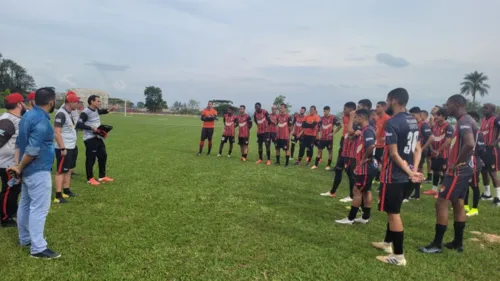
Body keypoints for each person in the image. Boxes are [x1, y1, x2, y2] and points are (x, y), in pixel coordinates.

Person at [419, 95, 477, 254]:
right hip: (466, 169)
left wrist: (456, 162)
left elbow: (470, 144)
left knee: (442, 202)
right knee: (458, 202)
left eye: (449, 104)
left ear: (457, 104)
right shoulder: (468, 120)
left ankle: (437, 244)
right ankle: (458, 242)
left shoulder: (464, 121)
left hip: (459, 169)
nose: (446, 107)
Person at [372, 88, 423, 266]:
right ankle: (387, 243)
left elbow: (393, 154)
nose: (386, 104)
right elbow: (418, 148)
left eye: (387, 101)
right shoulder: (413, 120)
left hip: (394, 176)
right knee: (392, 210)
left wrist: (410, 173)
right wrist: (414, 170)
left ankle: (398, 256)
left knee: (394, 214)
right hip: (407, 175)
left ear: (393, 100)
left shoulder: (393, 122)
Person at [9, 87, 60, 259]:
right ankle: (38, 247)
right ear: (51, 102)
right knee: (39, 209)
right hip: (37, 170)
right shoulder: (42, 121)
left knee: (25, 204)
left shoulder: (26, 116)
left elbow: (19, 144)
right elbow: (32, 150)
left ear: (33, 101)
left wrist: (18, 166)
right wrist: (19, 167)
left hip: (27, 170)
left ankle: (25, 238)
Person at [335, 109, 376, 224]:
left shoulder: (367, 130)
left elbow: (371, 146)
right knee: (366, 191)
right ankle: (365, 217)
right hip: (369, 166)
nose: (355, 120)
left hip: (365, 166)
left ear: (362, 117)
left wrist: (363, 160)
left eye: (357, 118)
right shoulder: (366, 130)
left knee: (356, 191)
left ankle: (350, 218)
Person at [0, 93, 26, 227]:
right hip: (6, 163)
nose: (25, 105)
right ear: (18, 104)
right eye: (23, 102)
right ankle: (5, 217)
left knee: (15, 188)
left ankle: (11, 211)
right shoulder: (8, 120)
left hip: (12, 162)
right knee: (9, 189)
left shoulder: (15, 118)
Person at [76, 95, 114, 185]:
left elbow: (102, 111)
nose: (99, 103)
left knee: (103, 156)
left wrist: (110, 110)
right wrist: (91, 128)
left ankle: (102, 177)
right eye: (98, 101)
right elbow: (79, 125)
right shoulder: (85, 112)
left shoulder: (96, 110)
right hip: (90, 139)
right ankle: (90, 179)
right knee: (91, 159)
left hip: (98, 137)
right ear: (92, 102)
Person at [320, 102, 356, 198]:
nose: (343, 111)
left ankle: (352, 196)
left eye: (345, 109)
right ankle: (332, 192)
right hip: (343, 142)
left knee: (350, 173)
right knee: (338, 169)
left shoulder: (356, 120)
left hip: (351, 146)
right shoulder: (344, 118)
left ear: (351, 110)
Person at [53, 92, 80, 203]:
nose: (78, 105)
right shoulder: (61, 114)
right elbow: (57, 132)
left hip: (71, 146)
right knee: (61, 171)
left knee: (68, 170)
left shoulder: (69, 113)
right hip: (64, 148)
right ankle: (58, 195)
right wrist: (62, 148)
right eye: (77, 102)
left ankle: (66, 190)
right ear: (71, 102)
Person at [423, 107, 454, 197]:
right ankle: (434, 189)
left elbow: (448, 141)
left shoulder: (448, 127)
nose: (435, 116)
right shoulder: (435, 126)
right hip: (434, 153)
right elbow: (431, 138)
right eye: (435, 114)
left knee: (443, 172)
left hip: (443, 154)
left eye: (438, 115)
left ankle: (443, 191)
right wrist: (432, 149)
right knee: (435, 171)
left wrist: (438, 151)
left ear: (443, 116)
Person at [407, 107, 433, 200]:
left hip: (419, 152)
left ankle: (412, 194)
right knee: (415, 171)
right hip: (415, 152)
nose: (412, 117)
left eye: (413, 115)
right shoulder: (416, 124)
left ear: (419, 114)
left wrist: (422, 149)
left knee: (415, 171)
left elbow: (431, 138)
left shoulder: (424, 124)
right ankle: (415, 194)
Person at [479, 103, 500, 205]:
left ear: (492, 109)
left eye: (486, 108)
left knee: (493, 173)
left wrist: (496, 141)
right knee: (483, 171)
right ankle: (487, 194)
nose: (484, 109)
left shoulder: (496, 119)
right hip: (483, 149)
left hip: (492, 150)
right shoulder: (483, 119)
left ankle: (498, 197)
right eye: (483, 108)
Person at [464, 111, 484, 216]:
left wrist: (477, 158)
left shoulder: (478, 133)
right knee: (465, 184)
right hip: (466, 160)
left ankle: (475, 208)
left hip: (474, 161)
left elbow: (481, 149)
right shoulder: (466, 131)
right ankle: (465, 205)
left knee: (474, 185)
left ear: (474, 120)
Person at [313, 106, 342, 170]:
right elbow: (319, 126)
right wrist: (320, 133)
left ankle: (328, 165)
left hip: (329, 139)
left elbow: (340, 125)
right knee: (319, 151)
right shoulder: (322, 118)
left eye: (325, 111)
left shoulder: (333, 118)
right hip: (322, 138)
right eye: (324, 111)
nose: (324, 112)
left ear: (329, 111)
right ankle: (315, 165)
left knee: (330, 152)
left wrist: (334, 133)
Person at [374, 101, 390, 183]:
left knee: (382, 162)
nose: (376, 108)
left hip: (383, 145)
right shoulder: (377, 118)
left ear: (384, 107)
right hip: (376, 144)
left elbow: (390, 130)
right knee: (376, 161)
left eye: (378, 107)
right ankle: (377, 178)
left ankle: (382, 179)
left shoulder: (387, 118)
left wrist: (385, 137)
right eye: (376, 107)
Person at [421, 110, 433, 182]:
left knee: (428, 161)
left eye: (421, 114)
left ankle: (429, 176)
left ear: (425, 116)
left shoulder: (426, 124)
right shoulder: (422, 123)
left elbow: (430, 136)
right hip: (425, 145)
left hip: (427, 145)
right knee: (425, 162)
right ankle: (427, 177)